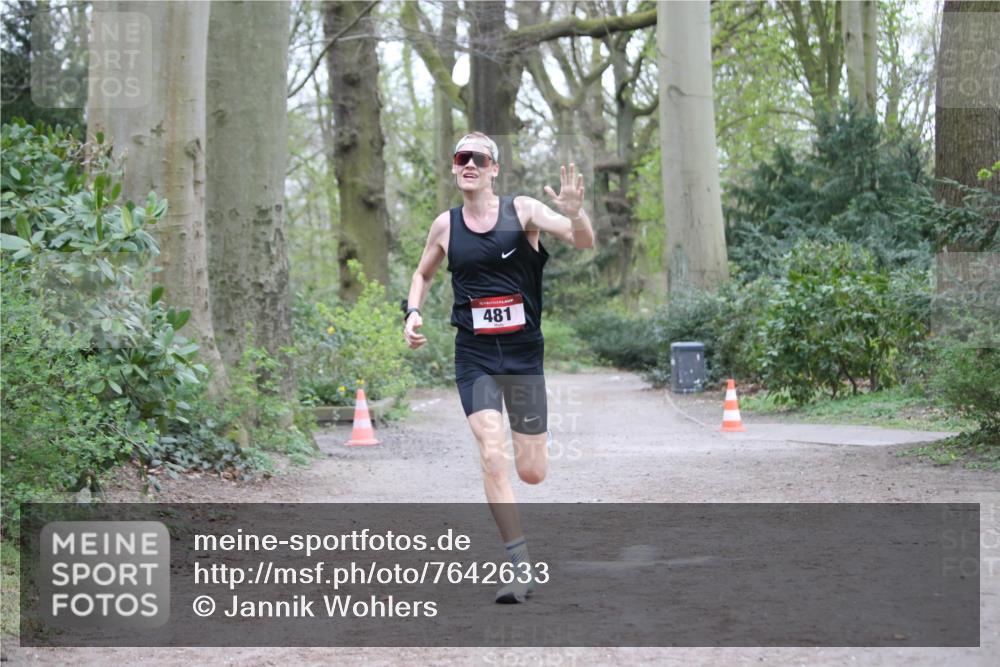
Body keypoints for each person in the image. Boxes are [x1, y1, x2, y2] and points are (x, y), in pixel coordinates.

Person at [403, 132, 595, 603]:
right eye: (460, 157)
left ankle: (532, 453)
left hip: (524, 355)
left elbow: (582, 241)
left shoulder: (523, 211)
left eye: (478, 157)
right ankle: (519, 568)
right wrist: (411, 311)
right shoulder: (445, 227)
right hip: (476, 356)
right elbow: (422, 272)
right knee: (492, 452)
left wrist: (575, 211)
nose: (468, 163)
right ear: (455, 168)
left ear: (494, 169)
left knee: (531, 472)